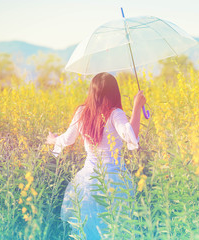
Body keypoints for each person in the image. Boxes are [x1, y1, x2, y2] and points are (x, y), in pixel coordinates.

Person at [45, 72, 146, 239]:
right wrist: (137, 106)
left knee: (88, 229)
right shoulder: (115, 113)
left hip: (88, 180)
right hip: (115, 180)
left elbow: (68, 139)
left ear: (92, 91)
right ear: (115, 92)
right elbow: (131, 136)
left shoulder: (82, 112)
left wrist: (53, 139)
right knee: (115, 228)